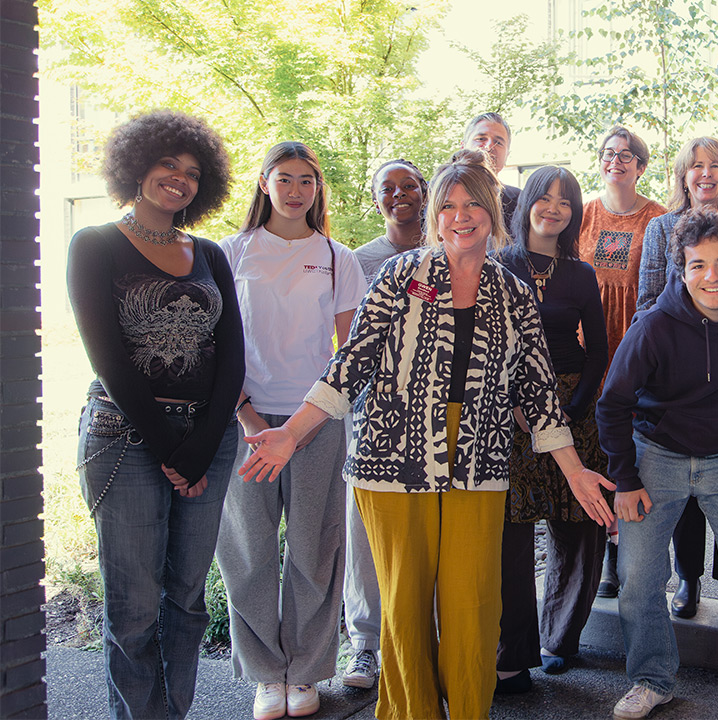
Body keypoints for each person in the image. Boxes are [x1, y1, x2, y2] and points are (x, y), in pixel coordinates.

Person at [237, 149, 614, 720]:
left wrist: (573, 469)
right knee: (404, 607)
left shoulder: (512, 293)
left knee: (472, 606)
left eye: (473, 206)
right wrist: (291, 433)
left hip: (480, 462)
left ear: (492, 212)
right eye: (449, 206)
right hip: (391, 460)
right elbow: (353, 361)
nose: (461, 216)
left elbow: (536, 392)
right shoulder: (401, 275)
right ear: (436, 215)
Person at [67, 109, 244, 719]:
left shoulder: (212, 255)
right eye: (168, 163)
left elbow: (233, 360)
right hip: (125, 437)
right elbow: (109, 360)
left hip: (208, 444)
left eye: (193, 171)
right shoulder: (94, 245)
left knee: (188, 601)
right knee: (135, 607)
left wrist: (201, 444)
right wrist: (171, 448)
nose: (180, 178)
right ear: (136, 166)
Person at [598, 206, 718, 720]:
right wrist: (625, 479)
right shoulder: (655, 326)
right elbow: (612, 404)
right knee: (637, 578)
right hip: (658, 455)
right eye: (698, 265)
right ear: (681, 269)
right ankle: (653, 679)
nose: (712, 277)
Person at [216, 142, 367, 720]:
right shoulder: (231, 254)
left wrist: (306, 423)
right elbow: (216, 346)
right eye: (285, 178)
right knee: (249, 551)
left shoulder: (335, 257)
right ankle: (263, 675)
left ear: (317, 187)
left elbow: (350, 353)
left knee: (314, 548)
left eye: (307, 179)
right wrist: (249, 417)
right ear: (263, 184)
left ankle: (304, 673)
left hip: (318, 422)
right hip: (244, 422)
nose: (297, 189)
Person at [636, 136, 718, 619]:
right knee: (683, 503)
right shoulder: (660, 227)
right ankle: (688, 579)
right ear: (682, 175)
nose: (705, 173)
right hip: (675, 377)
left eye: (715, 165)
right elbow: (647, 299)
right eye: (695, 166)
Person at [494, 166, 610, 691]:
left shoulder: (582, 274)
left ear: (574, 213)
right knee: (513, 532)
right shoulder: (499, 264)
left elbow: (600, 349)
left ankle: (560, 639)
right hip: (511, 410)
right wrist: (517, 402)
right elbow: (489, 346)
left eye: (567, 202)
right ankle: (512, 653)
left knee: (579, 526)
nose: (554, 208)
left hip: (574, 407)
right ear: (527, 206)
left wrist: (573, 409)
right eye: (546, 198)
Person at [341, 158, 428, 690]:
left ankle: (425, 636)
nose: (400, 195)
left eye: (409, 185)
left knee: (430, 525)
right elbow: (349, 344)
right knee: (365, 528)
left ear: (425, 193)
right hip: (374, 411)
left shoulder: (450, 251)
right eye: (387, 189)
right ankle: (365, 644)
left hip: (440, 413)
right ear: (376, 201)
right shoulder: (360, 261)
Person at [578, 125, 668, 598]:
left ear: (641, 165)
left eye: (627, 155)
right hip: (587, 346)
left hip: (634, 346)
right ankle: (600, 556)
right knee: (594, 448)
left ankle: (626, 554)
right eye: (609, 153)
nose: (617, 160)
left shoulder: (658, 217)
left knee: (629, 451)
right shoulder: (583, 214)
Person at [461, 112, 522, 233]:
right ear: (463, 147)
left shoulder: (519, 201)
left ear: (507, 156)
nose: (489, 146)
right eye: (481, 139)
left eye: (498, 142)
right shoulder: (432, 192)